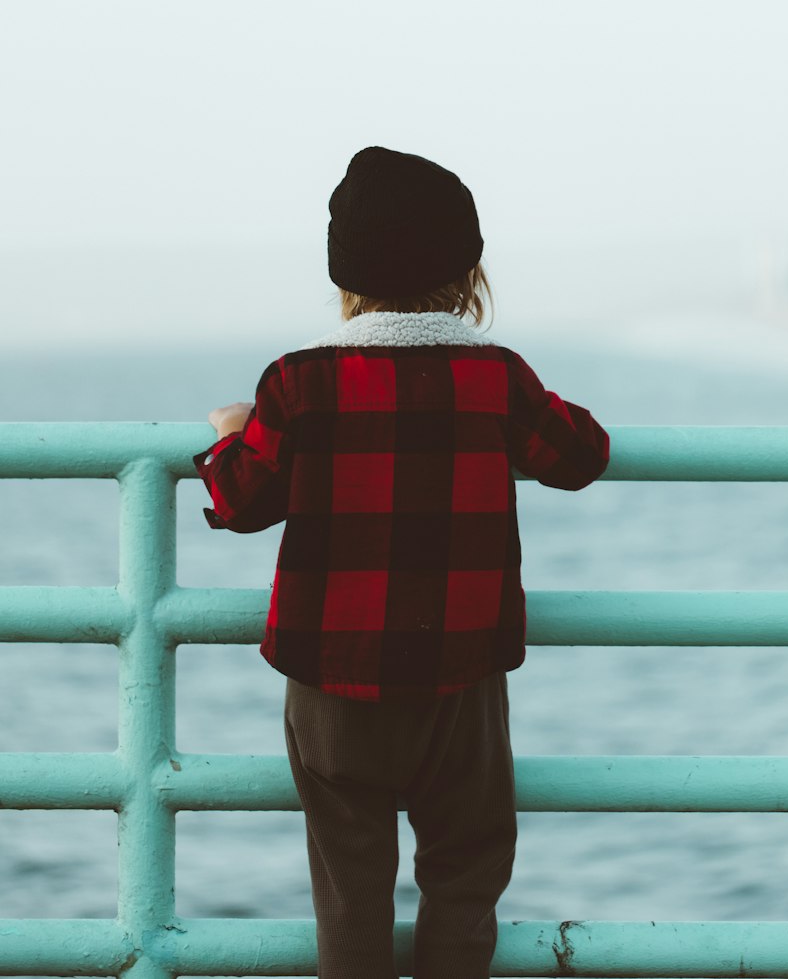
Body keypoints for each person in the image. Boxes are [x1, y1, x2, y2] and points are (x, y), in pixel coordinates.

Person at [193, 145, 612, 979]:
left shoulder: (297, 381)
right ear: (466, 274)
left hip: (331, 683)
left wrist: (230, 434)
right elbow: (580, 454)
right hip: (460, 683)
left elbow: (238, 503)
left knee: (351, 886)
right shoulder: (495, 376)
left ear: (345, 276)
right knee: (464, 869)